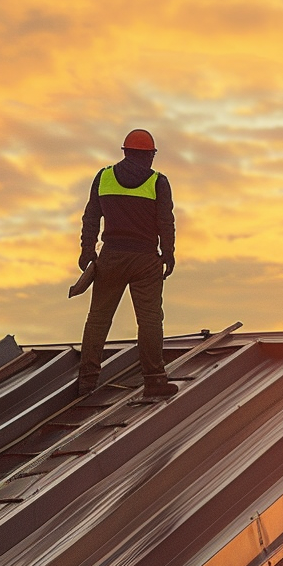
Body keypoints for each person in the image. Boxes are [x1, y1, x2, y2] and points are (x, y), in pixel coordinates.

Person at [75, 128, 178, 399]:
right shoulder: (158, 183)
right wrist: (168, 254)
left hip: (111, 257)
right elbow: (165, 222)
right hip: (145, 260)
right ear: (149, 156)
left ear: (126, 152)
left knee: (97, 319)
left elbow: (91, 216)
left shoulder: (104, 177)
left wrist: (87, 250)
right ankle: (155, 380)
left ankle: (86, 381)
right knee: (150, 321)